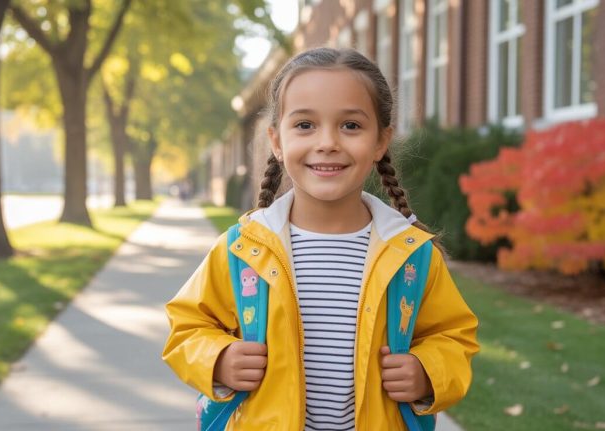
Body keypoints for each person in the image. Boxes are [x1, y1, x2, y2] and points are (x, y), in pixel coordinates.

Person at [162, 47, 479, 430]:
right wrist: (218, 359)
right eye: (305, 125)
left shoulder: (410, 253)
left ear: (381, 141)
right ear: (276, 141)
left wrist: (427, 371)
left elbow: (453, 337)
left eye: (350, 126)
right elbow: (188, 326)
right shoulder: (242, 248)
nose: (327, 142)